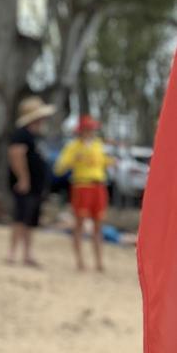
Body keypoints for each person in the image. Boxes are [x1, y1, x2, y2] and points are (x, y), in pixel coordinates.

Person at [54, 115, 114, 272]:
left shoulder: (98, 145)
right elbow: (59, 168)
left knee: (98, 225)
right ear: (81, 131)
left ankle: (99, 261)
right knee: (79, 224)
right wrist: (73, 159)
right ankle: (80, 261)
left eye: (93, 129)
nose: (91, 131)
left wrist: (110, 161)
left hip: (98, 186)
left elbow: (102, 162)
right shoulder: (73, 146)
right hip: (81, 186)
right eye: (88, 129)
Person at [6, 96, 56, 267]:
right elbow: (16, 156)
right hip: (26, 185)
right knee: (20, 218)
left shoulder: (36, 136)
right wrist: (23, 179)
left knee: (31, 220)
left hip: (36, 186)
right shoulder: (21, 135)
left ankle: (27, 253)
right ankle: (12, 253)